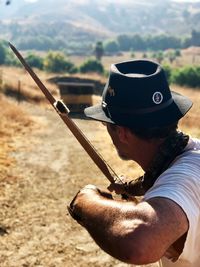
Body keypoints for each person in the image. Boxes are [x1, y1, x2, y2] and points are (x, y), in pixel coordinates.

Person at [68, 59, 200, 267]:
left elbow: (140, 243)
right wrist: (132, 187)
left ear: (122, 132)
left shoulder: (184, 176)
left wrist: (85, 201)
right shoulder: (188, 157)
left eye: (106, 124)